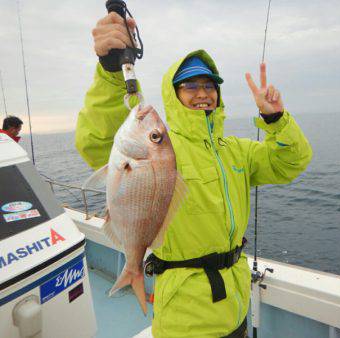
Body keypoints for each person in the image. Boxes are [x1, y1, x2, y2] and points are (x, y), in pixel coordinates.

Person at [76, 12, 313, 338]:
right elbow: (97, 143)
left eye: (209, 86)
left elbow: (290, 162)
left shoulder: (237, 151)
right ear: (174, 95)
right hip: (186, 318)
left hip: (236, 306)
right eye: (190, 86)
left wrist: (276, 120)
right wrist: (111, 72)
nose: (202, 93)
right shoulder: (164, 149)